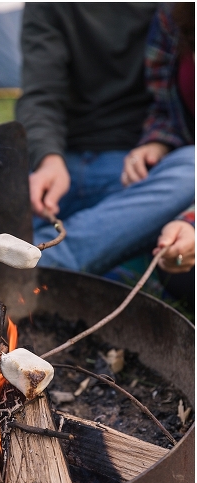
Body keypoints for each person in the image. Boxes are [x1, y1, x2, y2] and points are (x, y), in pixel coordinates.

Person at [16, 3, 195, 276]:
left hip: (134, 176)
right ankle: (109, 248)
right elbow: (40, 96)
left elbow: (168, 103)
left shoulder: (170, 10)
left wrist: (158, 143)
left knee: (192, 168)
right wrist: (48, 159)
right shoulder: (48, 5)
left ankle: (44, 263)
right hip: (63, 167)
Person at [120, 2, 195, 299]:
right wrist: (158, 141)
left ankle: (52, 265)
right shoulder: (174, 16)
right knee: (171, 259)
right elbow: (165, 107)